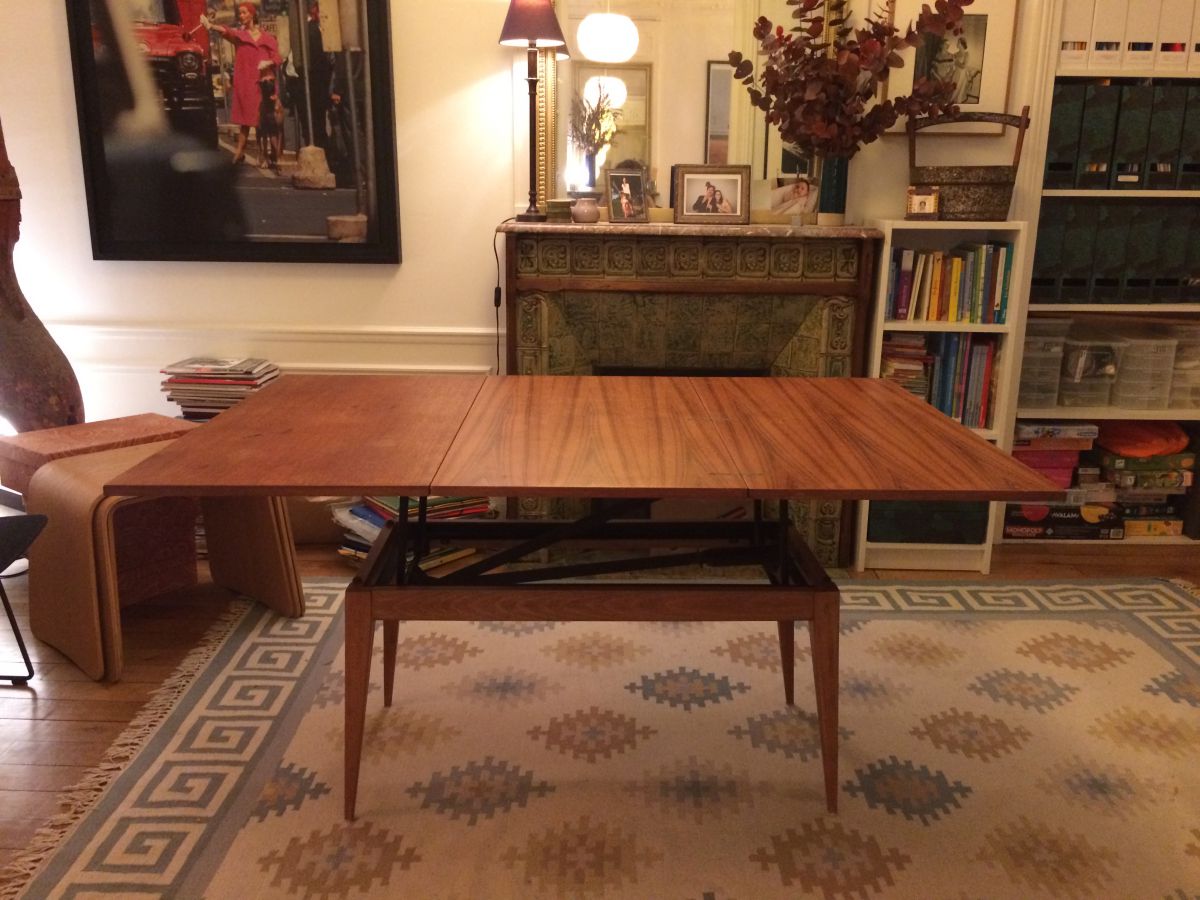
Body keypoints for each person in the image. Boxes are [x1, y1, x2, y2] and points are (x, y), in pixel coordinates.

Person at [202, 3, 282, 166]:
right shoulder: (240, 36)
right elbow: (227, 31)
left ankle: (270, 154)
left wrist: (267, 62)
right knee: (246, 120)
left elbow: (277, 58)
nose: (241, 16)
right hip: (246, 82)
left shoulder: (267, 38)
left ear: (252, 14)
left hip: (264, 84)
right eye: (240, 13)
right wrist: (210, 26)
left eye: (244, 13)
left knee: (265, 120)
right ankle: (241, 151)